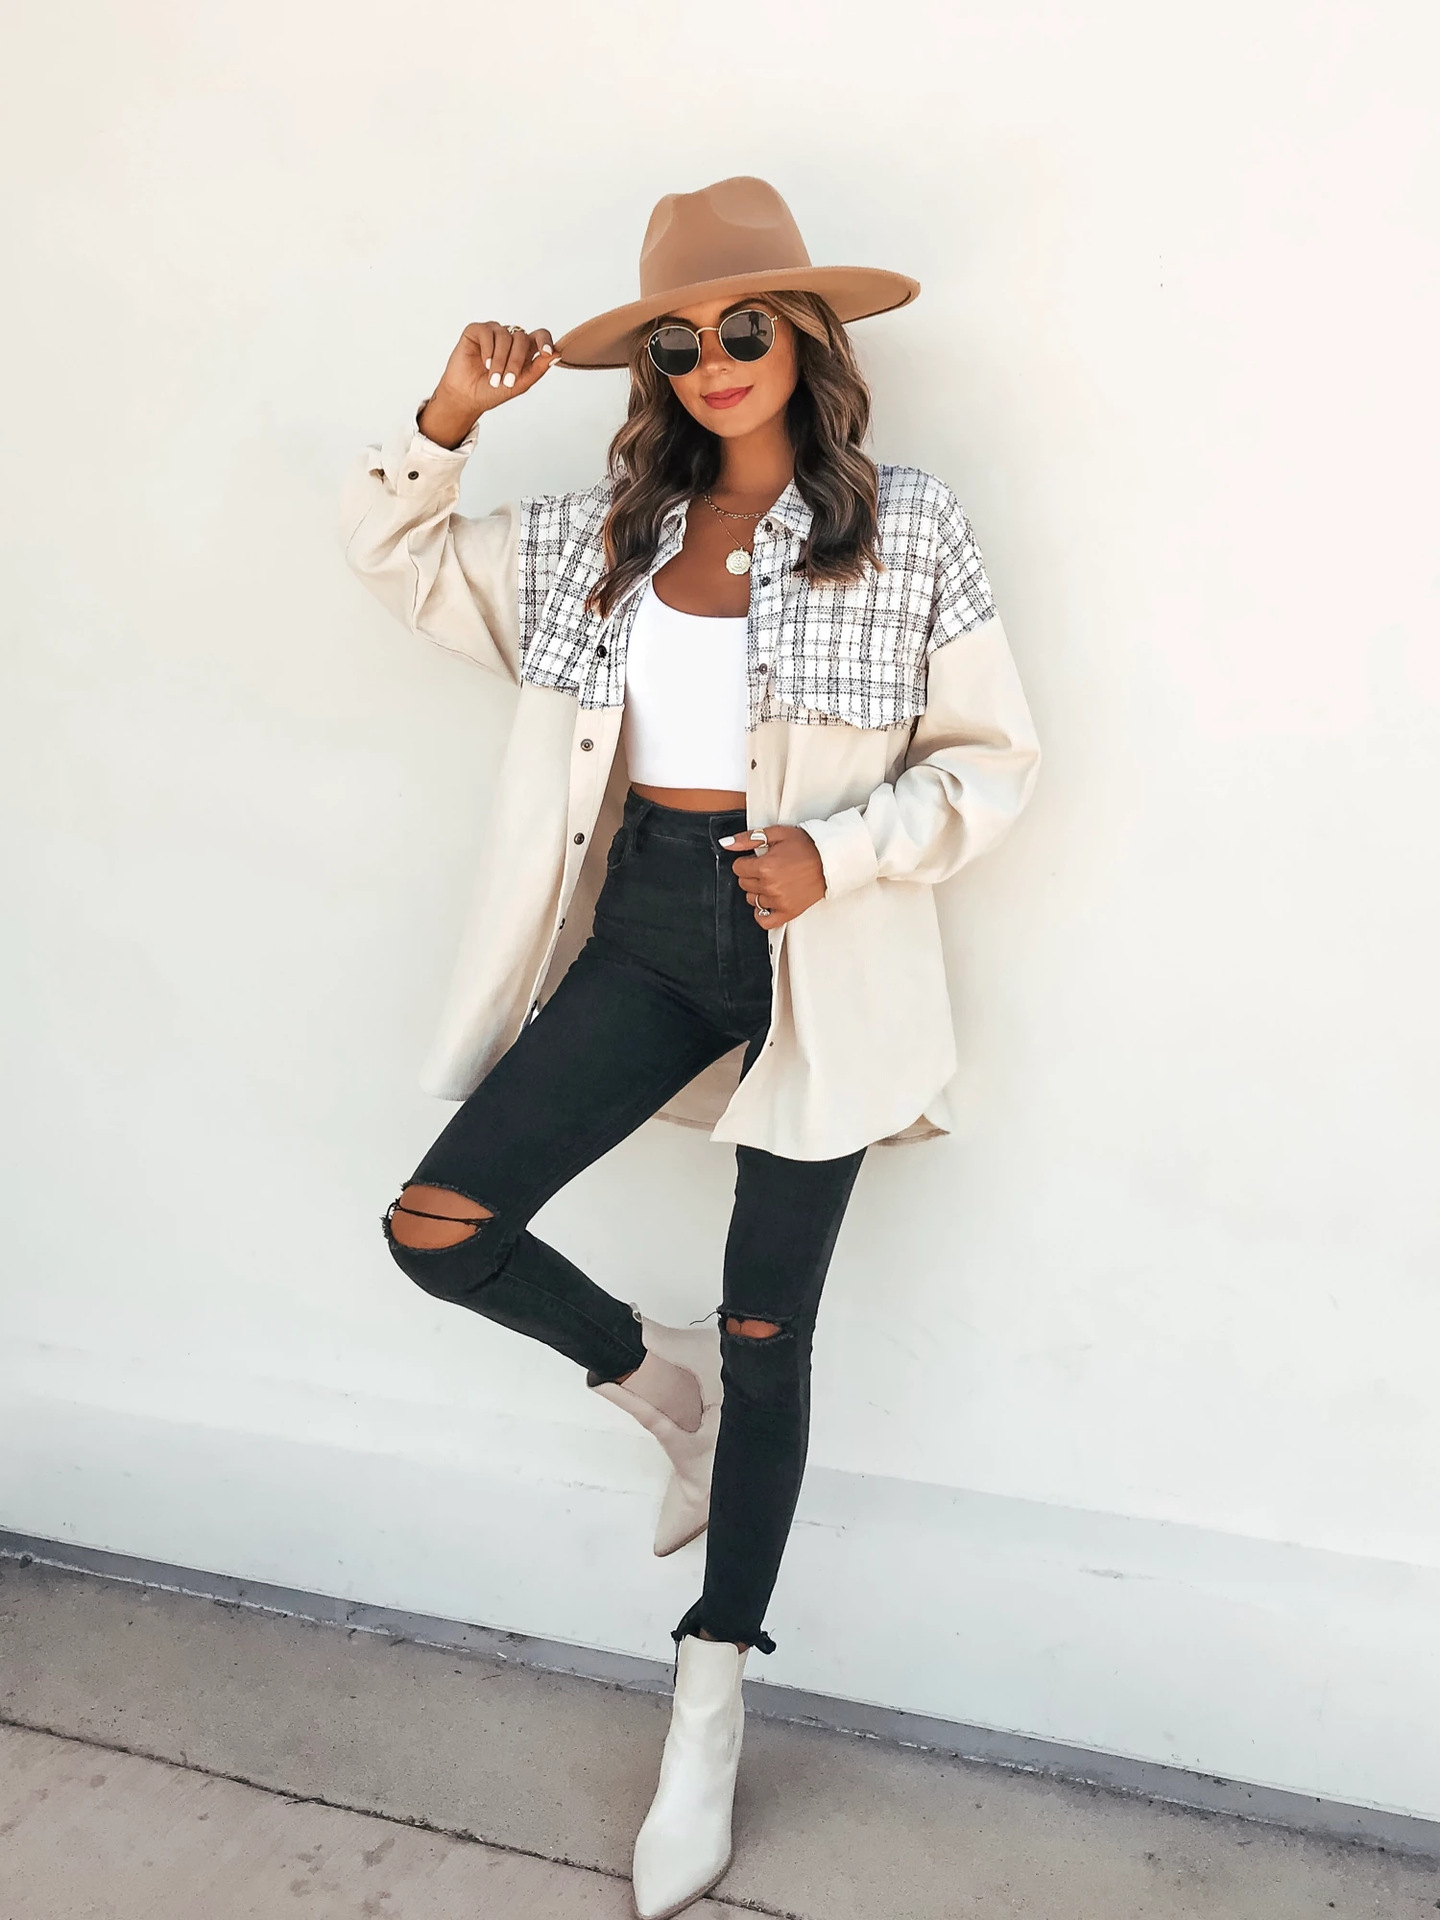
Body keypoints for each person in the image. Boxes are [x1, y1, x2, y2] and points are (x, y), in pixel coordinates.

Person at [341, 174, 1040, 1920]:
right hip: (651, 926)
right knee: (440, 1227)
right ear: (653, 368)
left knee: (773, 1335)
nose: (715, 360)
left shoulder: (906, 522)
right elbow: (401, 561)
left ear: (804, 338)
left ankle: (711, 1694)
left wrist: (846, 853)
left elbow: (997, 761)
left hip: (825, 947)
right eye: (679, 341)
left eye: (744, 328)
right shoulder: (610, 529)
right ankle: (658, 1387)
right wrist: (447, 417)